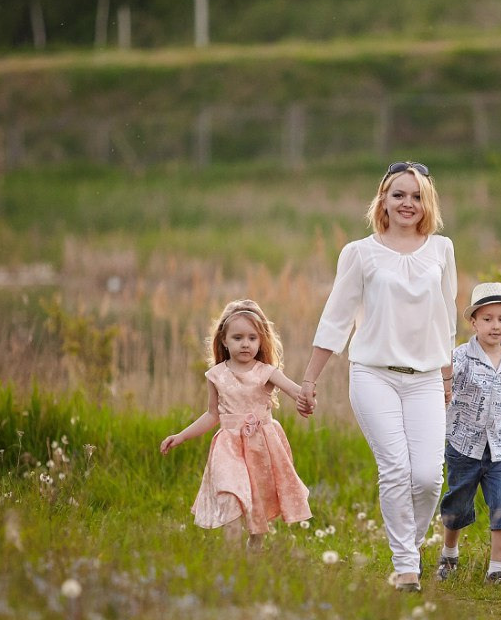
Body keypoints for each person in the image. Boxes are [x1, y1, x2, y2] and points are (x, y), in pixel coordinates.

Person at [296, 161, 457, 593]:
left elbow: (448, 321)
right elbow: (336, 320)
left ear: (428, 203)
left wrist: (447, 377)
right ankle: (406, 566)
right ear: (382, 200)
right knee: (395, 469)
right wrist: (310, 379)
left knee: (427, 477)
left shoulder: (442, 250)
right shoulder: (359, 253)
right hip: (373, 375)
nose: (407, 203)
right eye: (398, 194)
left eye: (416, 196)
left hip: (425, 378)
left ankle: (410, 545)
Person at [160, 299, 311, 549]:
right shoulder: (216, 375)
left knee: (256, 499)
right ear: (224, 340)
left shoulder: (266, 372)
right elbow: (212, 415)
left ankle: (255, 548)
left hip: (261, 446)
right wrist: (182, 436)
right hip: (228, 446)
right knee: (230, 493)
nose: (245, 343)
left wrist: (307, 396)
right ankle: (231, 557)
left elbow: (297, 392)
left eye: (252, 338)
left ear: (261, 341)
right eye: (238, 337)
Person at [435, 282, 501, 584]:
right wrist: (445, 389)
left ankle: (496, 569)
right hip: (464, 445)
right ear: (473, 321)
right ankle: (449, 553)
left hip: (500, 447)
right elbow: (444, 385)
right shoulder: (461, 356)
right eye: (488, 319)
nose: (495, 326)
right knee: (459, 503)